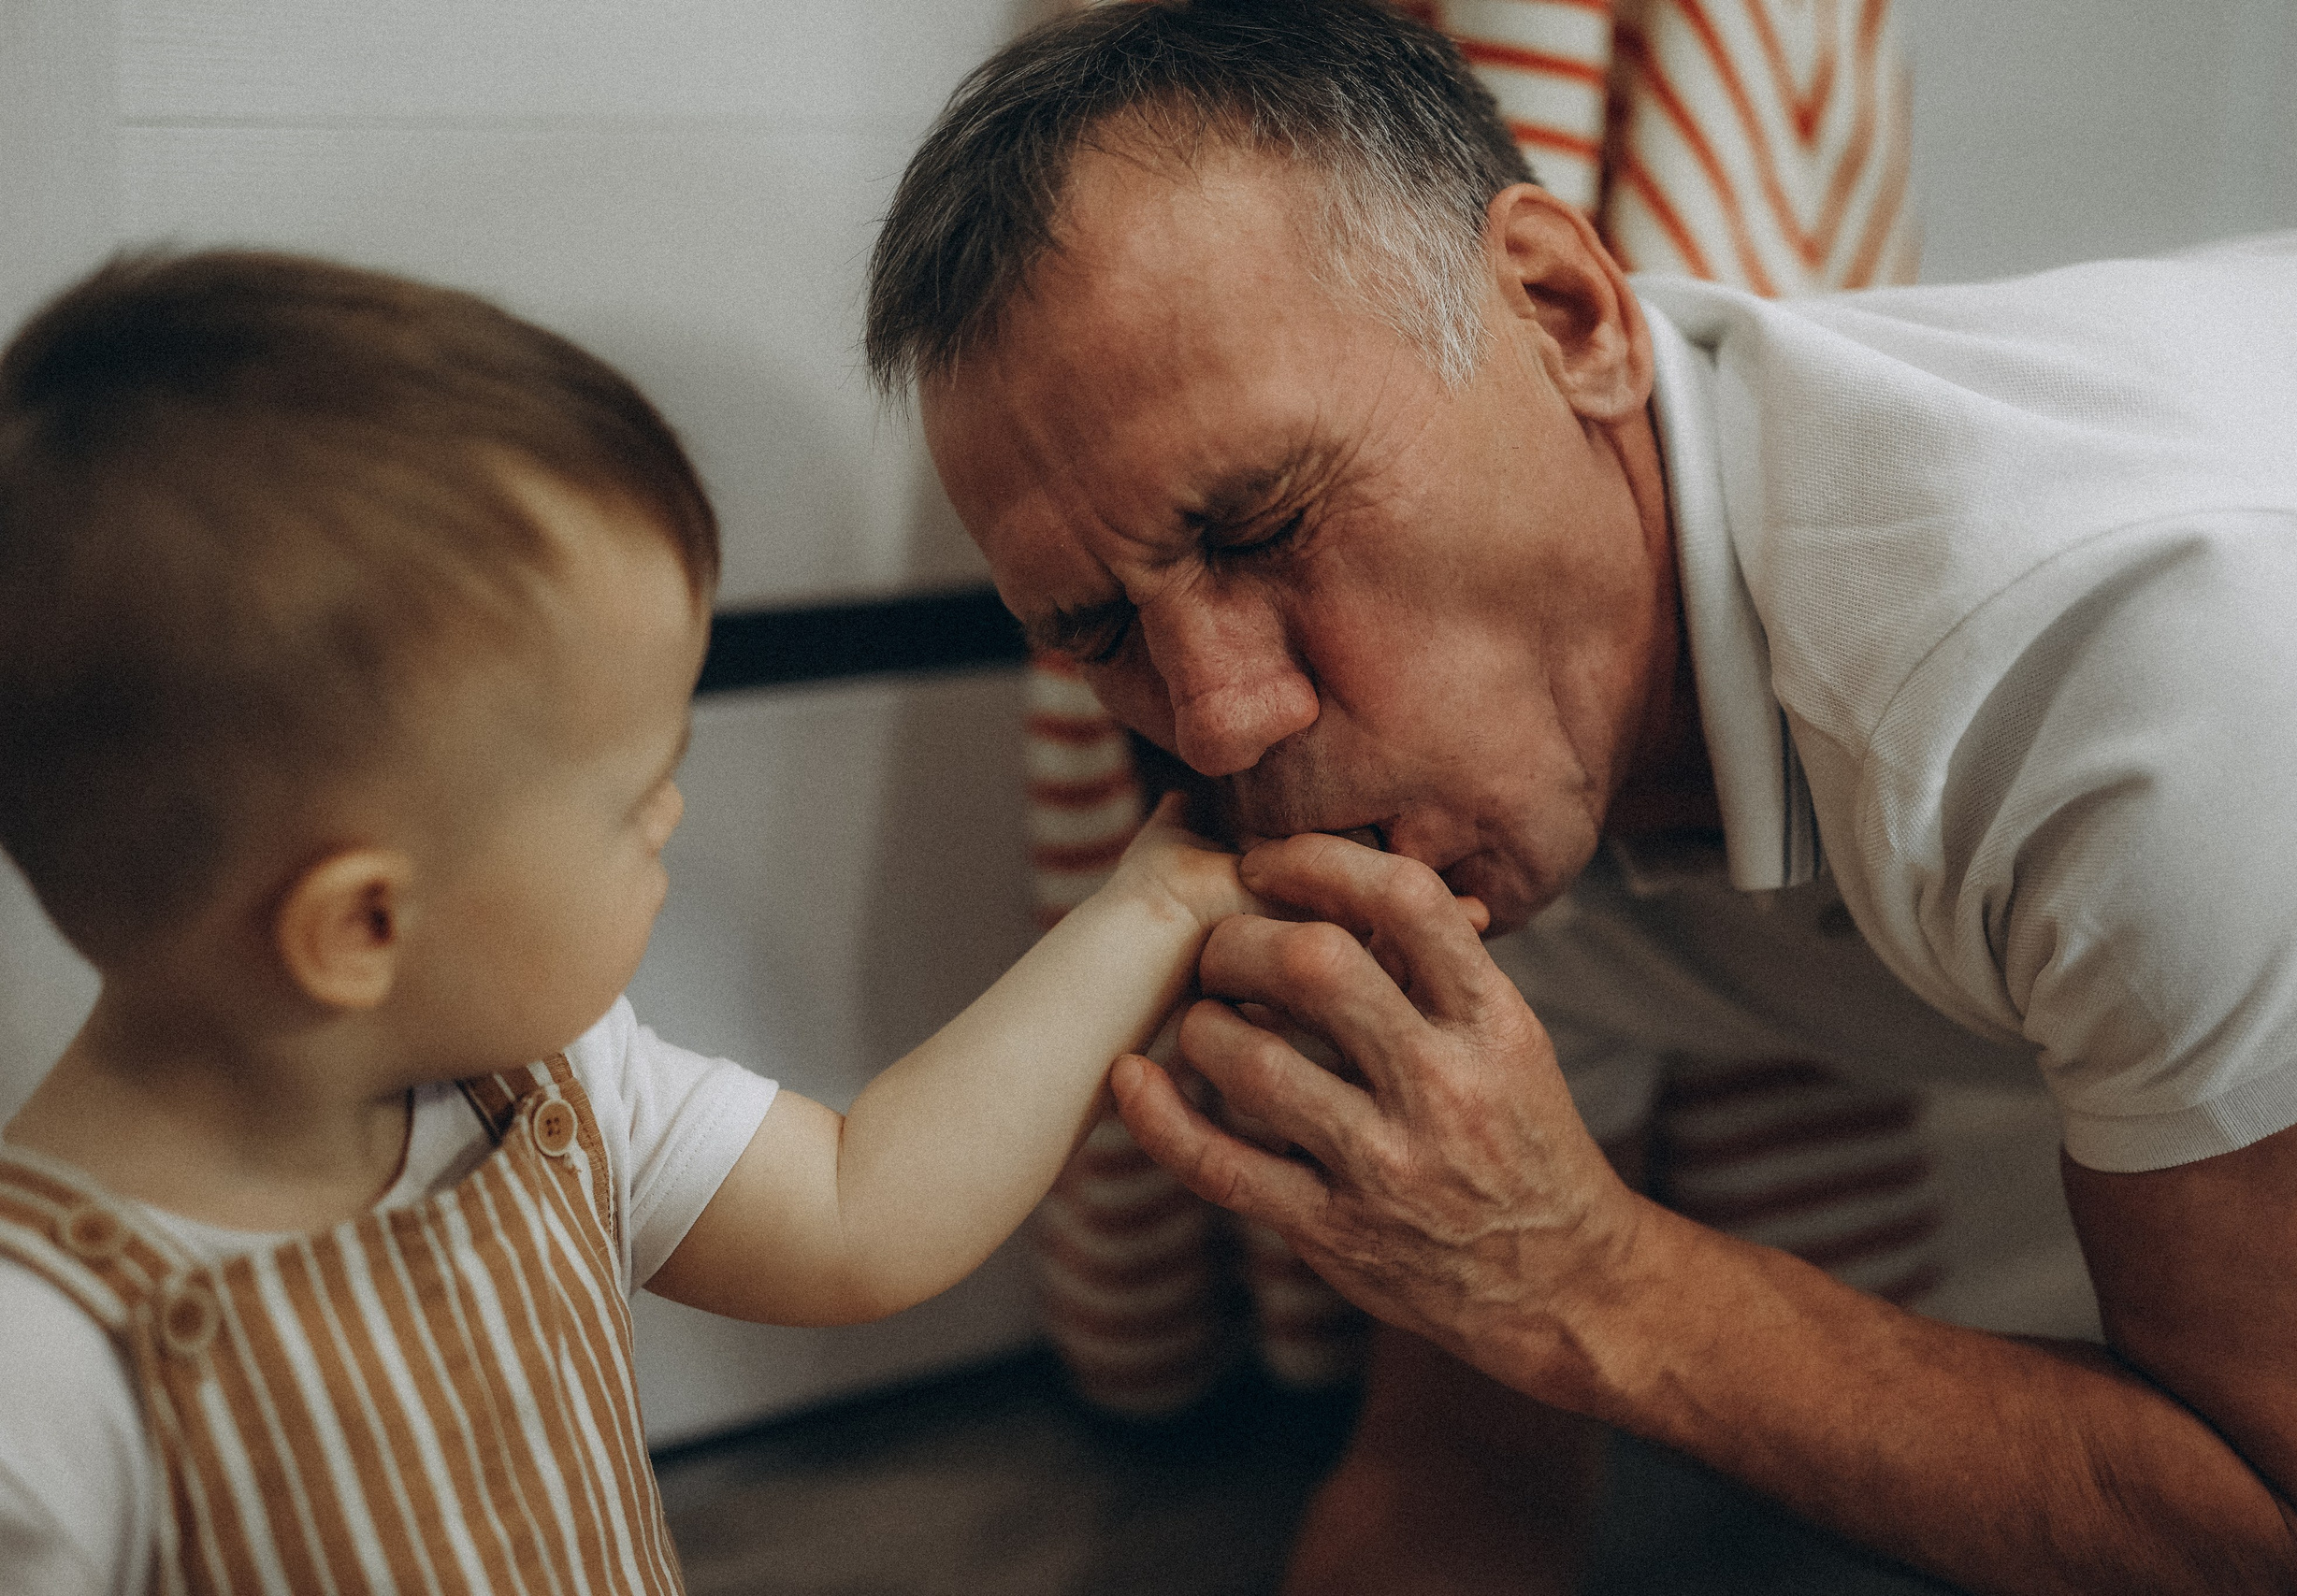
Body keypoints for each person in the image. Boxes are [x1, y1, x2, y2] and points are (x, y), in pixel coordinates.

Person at [864, 2, 2297, 1591]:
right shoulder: (1475, 779)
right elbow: (1460, 1473)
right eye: (1100, 632)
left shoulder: (2139, 659)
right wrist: (1507, 1287)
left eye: (1262, 525)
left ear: (1565, 312)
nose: (1223, 727)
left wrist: (1577, 1273)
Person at [0, 248, 1327, 1596]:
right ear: (363, 929)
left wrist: (1152, 905)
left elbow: (863, 1207)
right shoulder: (40, 1373)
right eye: (633, 798)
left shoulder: (548, 1092)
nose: (674, 819)